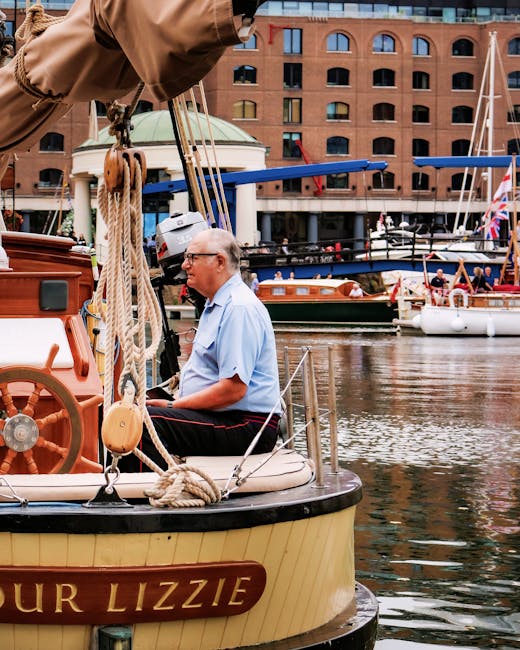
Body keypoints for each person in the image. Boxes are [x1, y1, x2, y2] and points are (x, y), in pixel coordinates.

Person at [119, 228, 281, 470]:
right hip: (223, 417)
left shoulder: (238, 308)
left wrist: (175, 407)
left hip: (246, 425)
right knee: (122, 411)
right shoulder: (216, 304)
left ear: (219, 261)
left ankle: (147, 496)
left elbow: (233, 389)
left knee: (138, 423)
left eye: (192, 257)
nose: (185, 265)